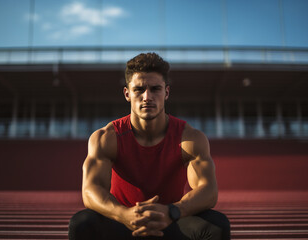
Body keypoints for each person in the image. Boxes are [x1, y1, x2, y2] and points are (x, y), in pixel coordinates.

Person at [68, 52, 230, 240]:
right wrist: (124, 215)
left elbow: (209, 191)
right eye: (139, 89)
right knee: (81, 223)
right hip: (124, 222)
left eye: (155, 89)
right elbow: (90, 191)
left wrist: (172, 212)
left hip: (169, 222)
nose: (147, 97)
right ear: (127, 93)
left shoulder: (190, 138)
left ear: (166, 92)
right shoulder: (107, 137)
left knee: (217, 225)